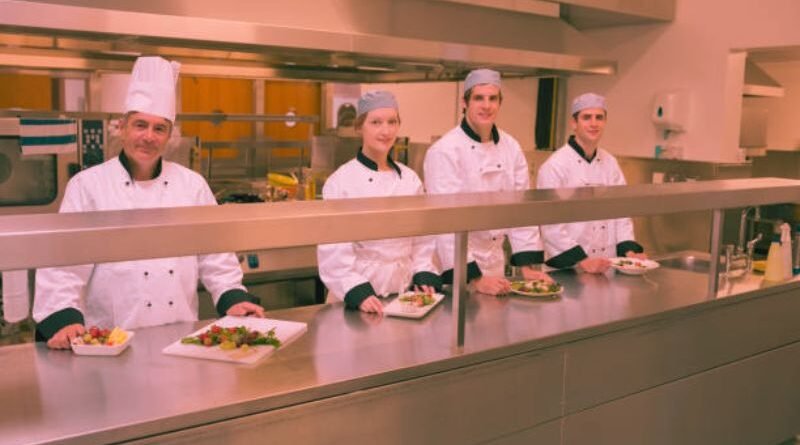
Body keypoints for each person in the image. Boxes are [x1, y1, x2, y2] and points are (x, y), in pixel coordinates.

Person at [33, 56, 264, 349]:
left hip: (180, 337)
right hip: (110, 342)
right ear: (122, 128)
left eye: (159, 128)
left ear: (169, 136)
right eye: (140, 125)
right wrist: (62, 317)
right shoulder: (88, 186)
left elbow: (214, 252)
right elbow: (64, 259)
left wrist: (233, 296)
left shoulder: (191, 185)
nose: (148, 137)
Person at [423, 69, 551, 296]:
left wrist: (527, 267)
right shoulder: (445, 151)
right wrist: (475, 278)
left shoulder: (511, 147)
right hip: (459, 269)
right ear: (465, 102)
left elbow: (521, 210)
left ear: (500, 103)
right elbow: (447, 222)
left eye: (493, 98)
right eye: (479, 98)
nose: (486, 105)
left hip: (495, 264)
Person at [317, 90, 442, 314]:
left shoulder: (410, 179)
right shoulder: (340, 182)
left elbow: (423, 238)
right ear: (359, 127)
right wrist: (358, 291)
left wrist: (423, 271)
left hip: (402, 295)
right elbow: (333, 251)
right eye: (376, 122)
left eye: (392, 122)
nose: (386, 131)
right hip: (354, 299)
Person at [536, 92, 646, 274]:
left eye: (599, 118)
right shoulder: (555, 166)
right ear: (574, 123)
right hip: (568, 269)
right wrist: (583, 261)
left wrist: (629, 251)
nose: (594, 123)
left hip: (606, 265)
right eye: (587, 117)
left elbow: (622, 211)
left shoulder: (610, 163)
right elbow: (550, 225)